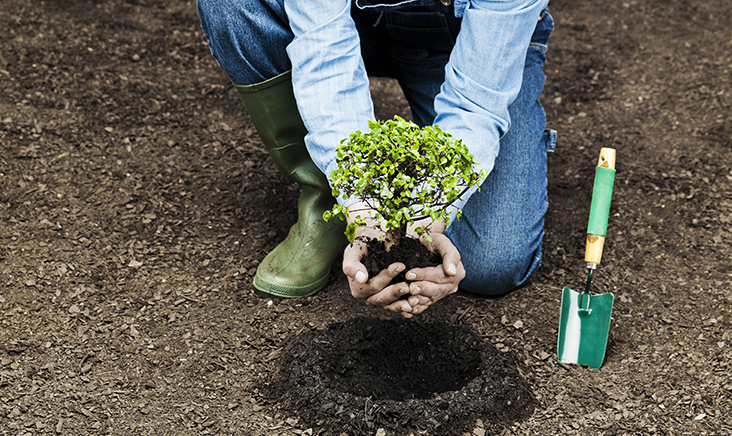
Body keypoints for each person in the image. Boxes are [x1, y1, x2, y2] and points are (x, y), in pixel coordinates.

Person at [197, 0, 555, 317]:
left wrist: (428, 214)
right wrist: (361, 202)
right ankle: (327, 202)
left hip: (464, 39)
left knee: (492, 262)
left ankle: (392, 192)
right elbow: (325, 55)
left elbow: (474, 103)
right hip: (353, 21)